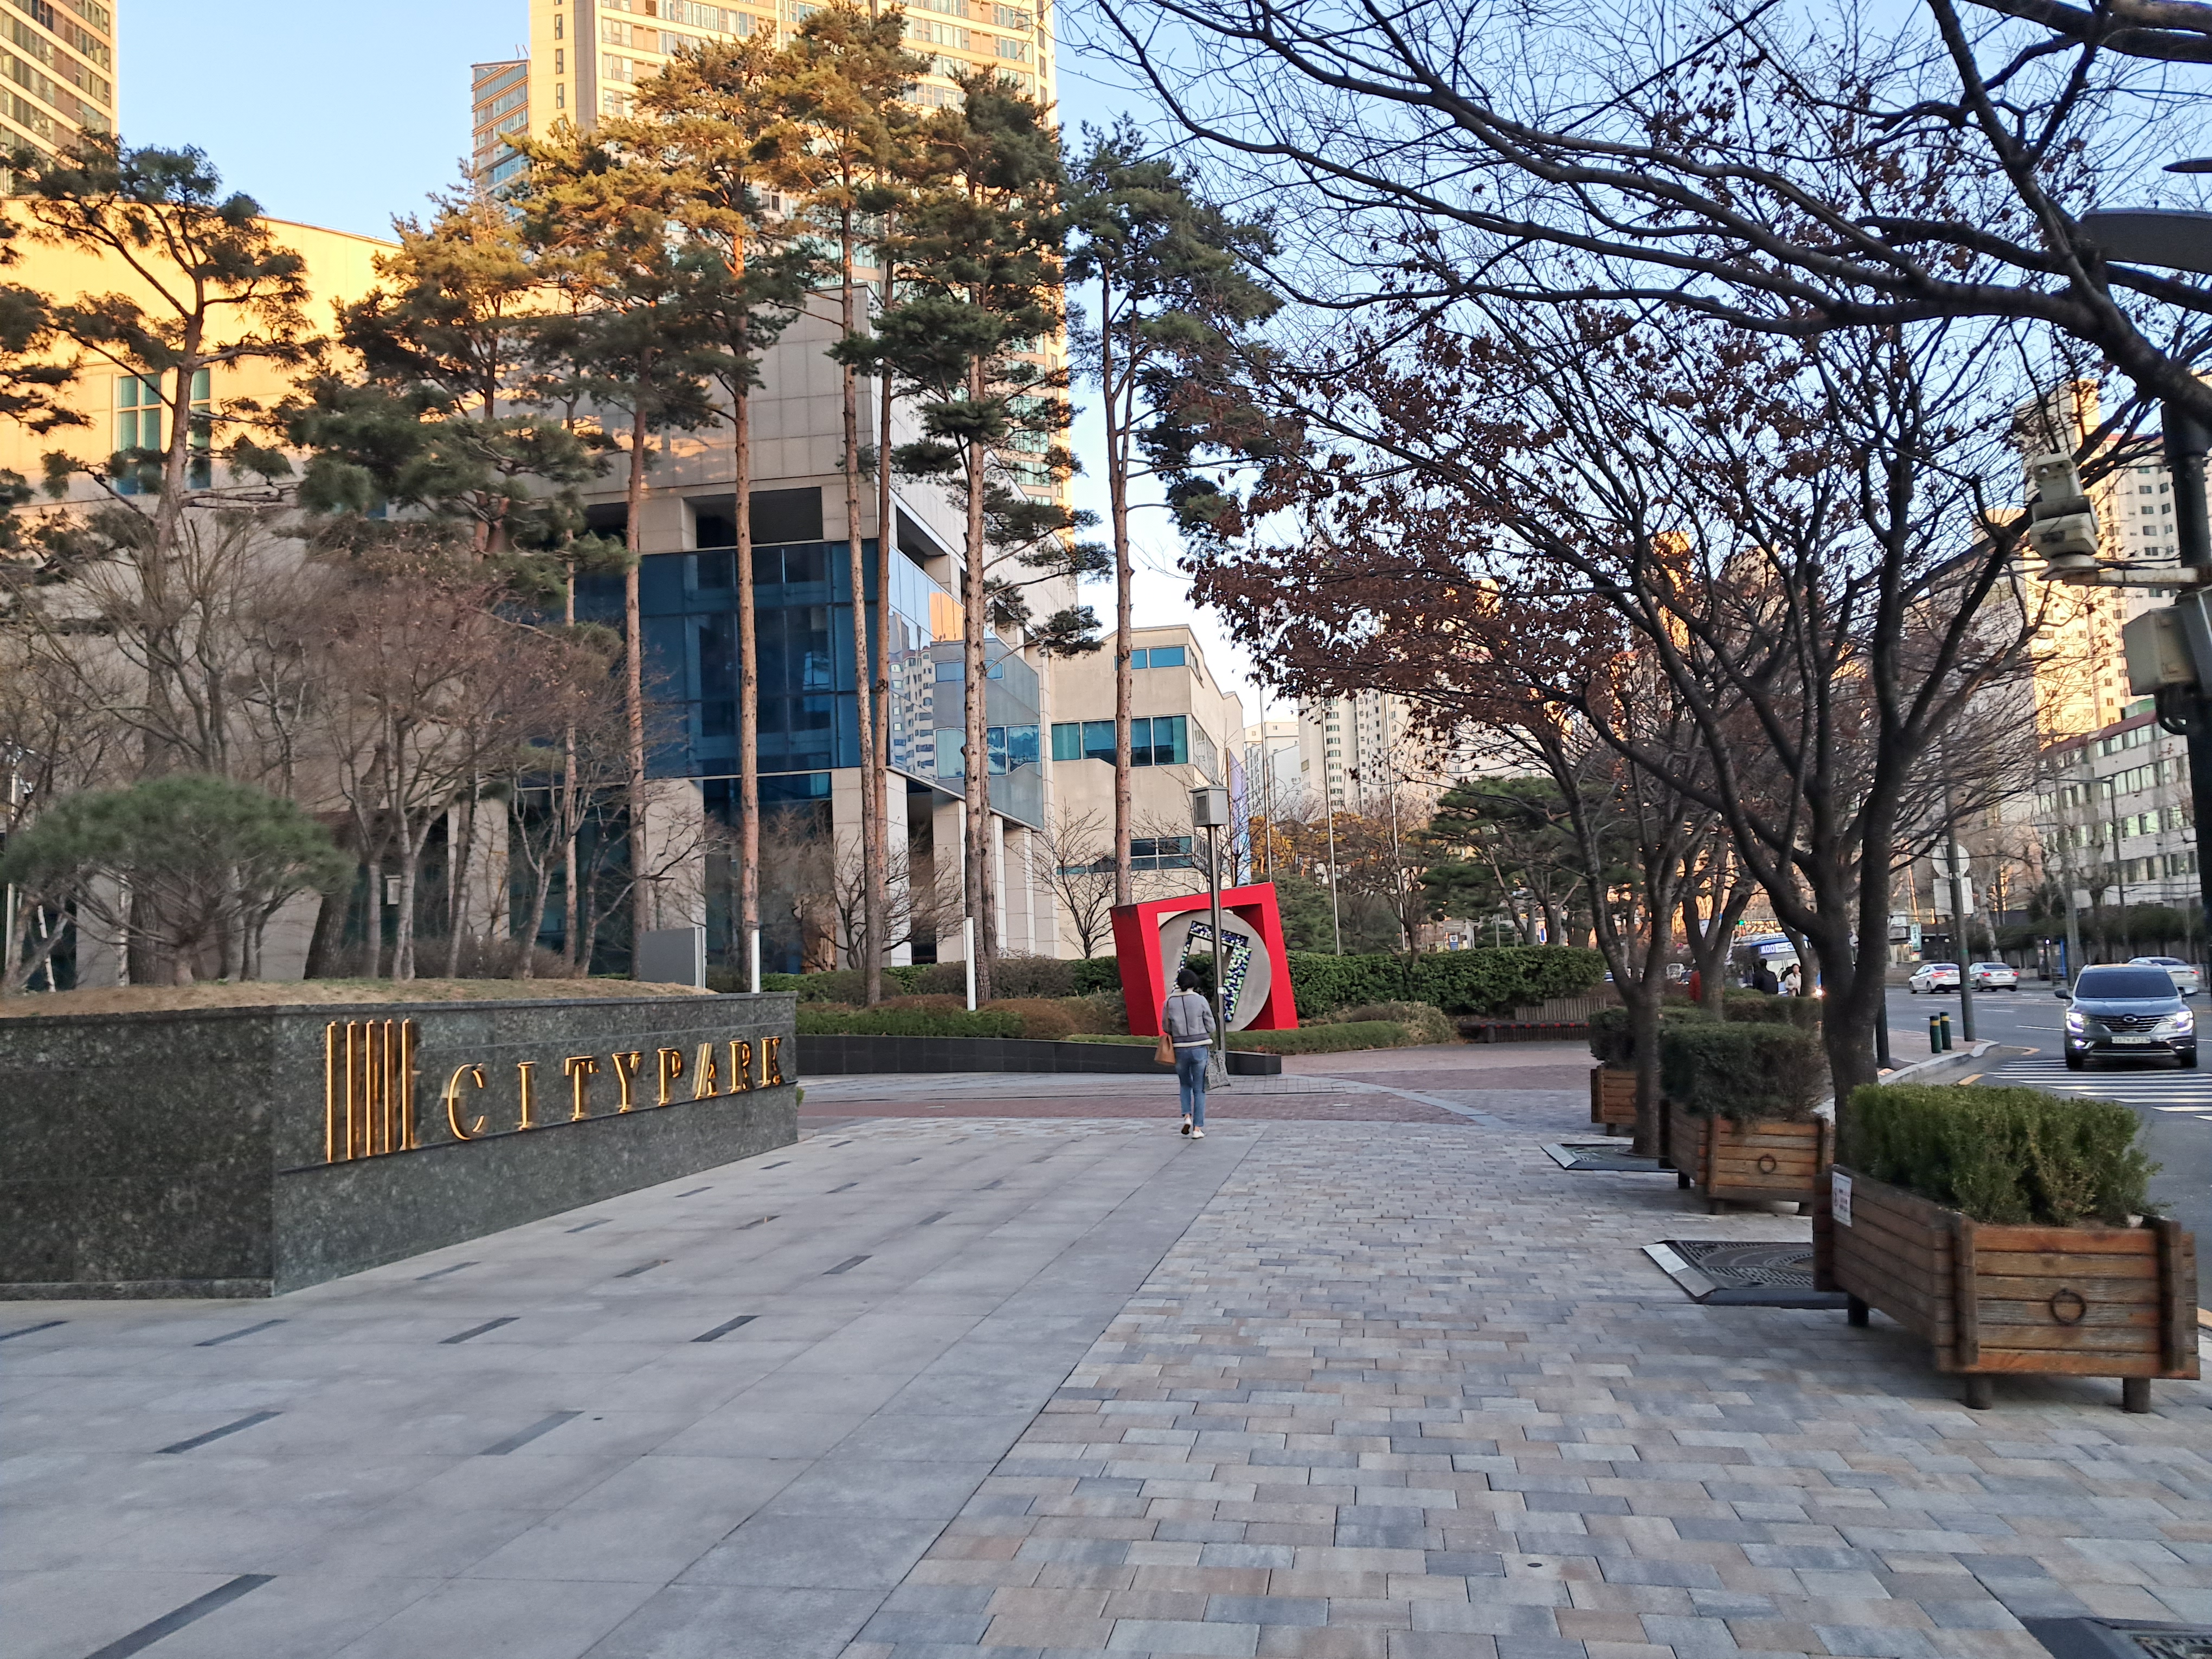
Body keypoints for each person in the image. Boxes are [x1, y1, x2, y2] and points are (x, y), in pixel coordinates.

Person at [1162, 967, 1218, 1139]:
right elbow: (1211, 1026)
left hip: (1180, 1048)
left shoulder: (1169, 1002)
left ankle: (1187, 1117)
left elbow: (1166, 1027)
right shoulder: (1200, 1000)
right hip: (1199, 1048)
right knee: (1199, 1089)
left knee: (1185, 1084)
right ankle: (1197, 1129)